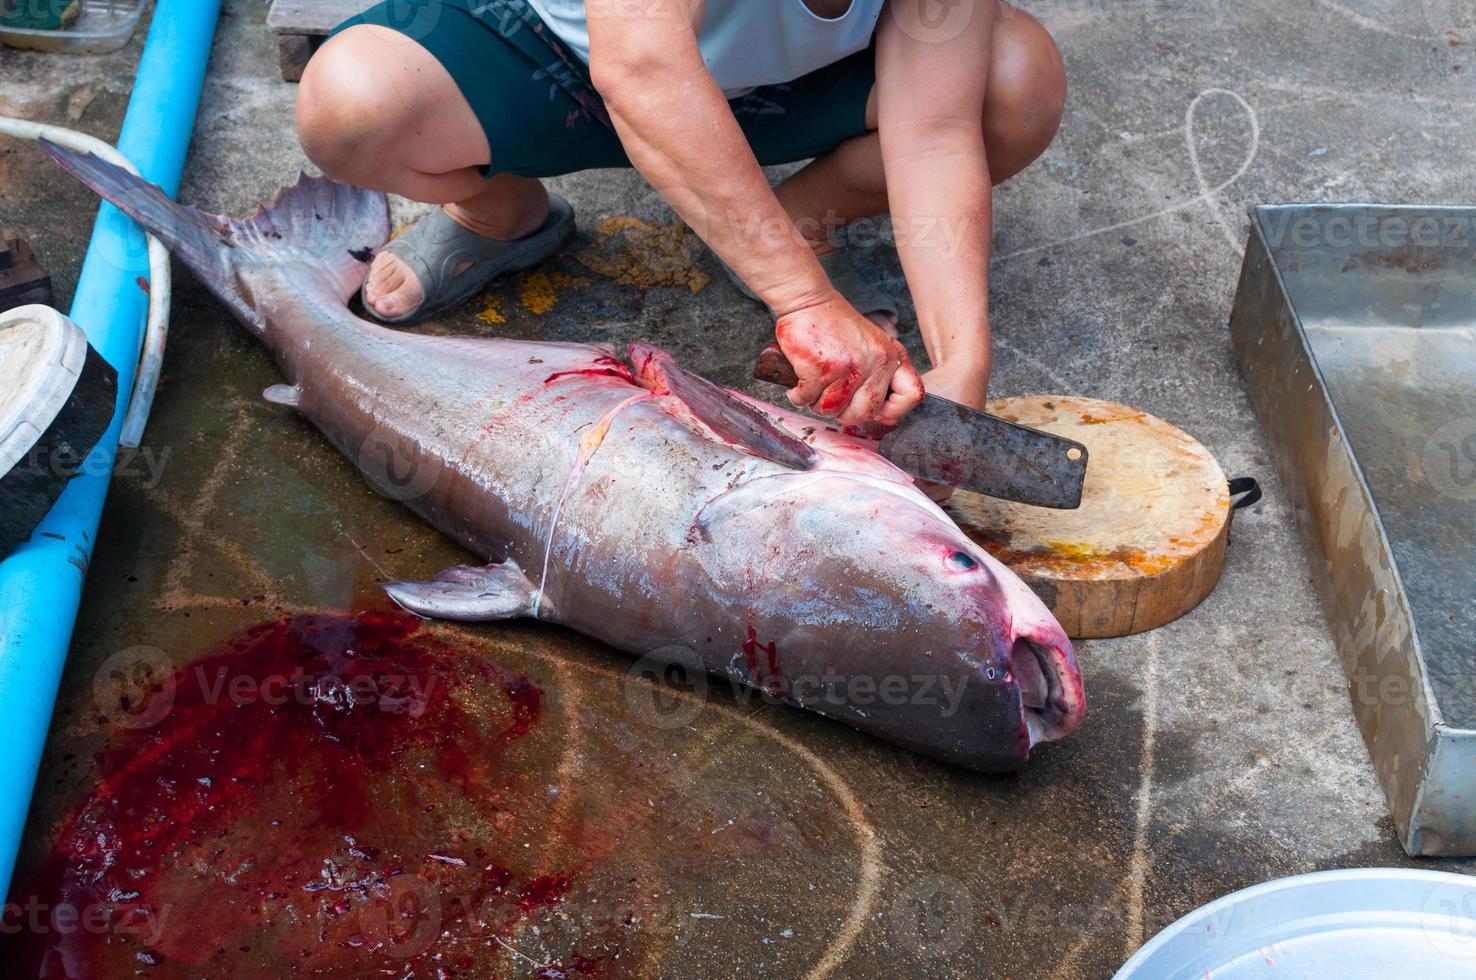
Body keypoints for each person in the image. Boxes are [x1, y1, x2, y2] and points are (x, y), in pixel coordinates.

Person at [295, 0, 1065, 427]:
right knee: (351, 105)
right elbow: (640, 64)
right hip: (557, 53)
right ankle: (498, 210)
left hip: (779, 88)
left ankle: (792, 222)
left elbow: (934, 130)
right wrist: (805, 300)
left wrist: (963, 360)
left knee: (1013, 84)